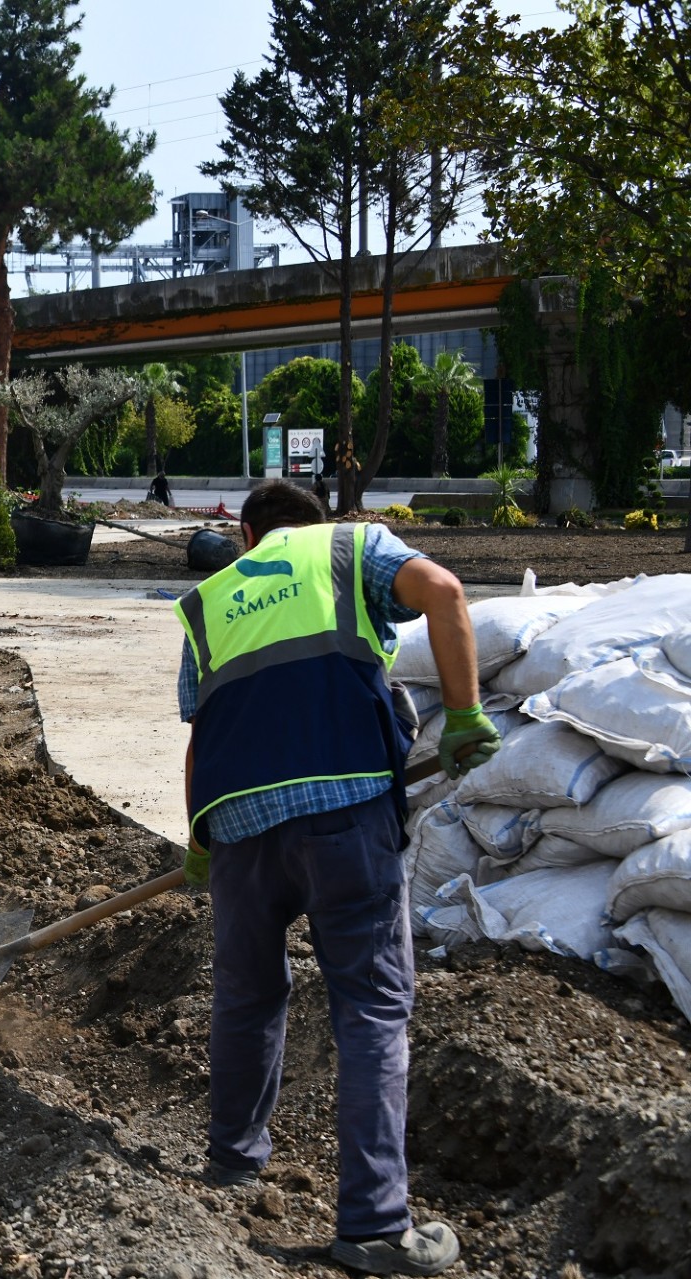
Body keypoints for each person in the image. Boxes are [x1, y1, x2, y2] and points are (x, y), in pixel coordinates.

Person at [172, 480, 500, 1277]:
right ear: (317, 525)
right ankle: (376, 1226)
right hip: (345, 806)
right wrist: (462, 712)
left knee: (247, 991)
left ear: (248, 533)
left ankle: (232, 1159)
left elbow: (203, 730)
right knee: (371, 1003)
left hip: (240, 819)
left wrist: (200, 837)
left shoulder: (207, 600)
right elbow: (447, 594)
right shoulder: (351, 548)